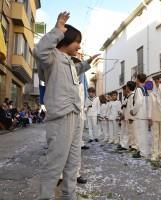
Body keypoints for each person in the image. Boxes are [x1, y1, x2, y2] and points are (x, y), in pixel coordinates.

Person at [33, 11, 99, 199]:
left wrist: (87, 63)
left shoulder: (68, 61)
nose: (79, 45)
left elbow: (75, 70)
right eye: (77, 41)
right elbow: (39, 51)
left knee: (73, 162)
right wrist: (58, 28)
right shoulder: (50, 57)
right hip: (61, 117)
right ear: (66, 39)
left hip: (75, 114)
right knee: (55, 164)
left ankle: (69, 196)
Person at [130, 73, 151, 158]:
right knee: (144, 134)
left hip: (139, 114)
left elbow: (138, 102)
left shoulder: (138, 89)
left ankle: (142, 152)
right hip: (145, 114)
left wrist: (133, 111)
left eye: (136, 79)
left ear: (138, 79)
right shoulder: (146, 89)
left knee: (140, 134)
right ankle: (144, 151)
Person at [148, 76, 161, 163]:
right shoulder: (151, 94)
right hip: (154, 117)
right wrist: (149, 117)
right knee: (155, 136)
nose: (158, 84)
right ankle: (154, 153)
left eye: (160, 82)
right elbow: (149, 106)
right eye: (157, 82)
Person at [125, 81, 138, 152]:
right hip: (129, 117)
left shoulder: (133, 96)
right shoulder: (129, 96)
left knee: (134, 133)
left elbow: (133, 107)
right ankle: (131, 144)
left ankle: (135, 146)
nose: (126, 88)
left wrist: (131, 117)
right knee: (130, 132)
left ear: (129, 87)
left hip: (132, 118)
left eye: (127, 86)